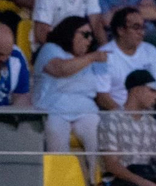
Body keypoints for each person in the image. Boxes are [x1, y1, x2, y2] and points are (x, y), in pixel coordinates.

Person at [34, 13, 116, 174]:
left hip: (85, 110)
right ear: (70, 32)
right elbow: (60, 69)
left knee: (97, 133)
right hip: (53, 110)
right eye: (85, 35)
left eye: (91, 36)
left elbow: (102, 90)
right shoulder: (50, 49)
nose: (89, 39)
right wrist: (92, 57)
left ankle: (96, 183)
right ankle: (60, 183)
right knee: (56, 132)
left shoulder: (92, 58)